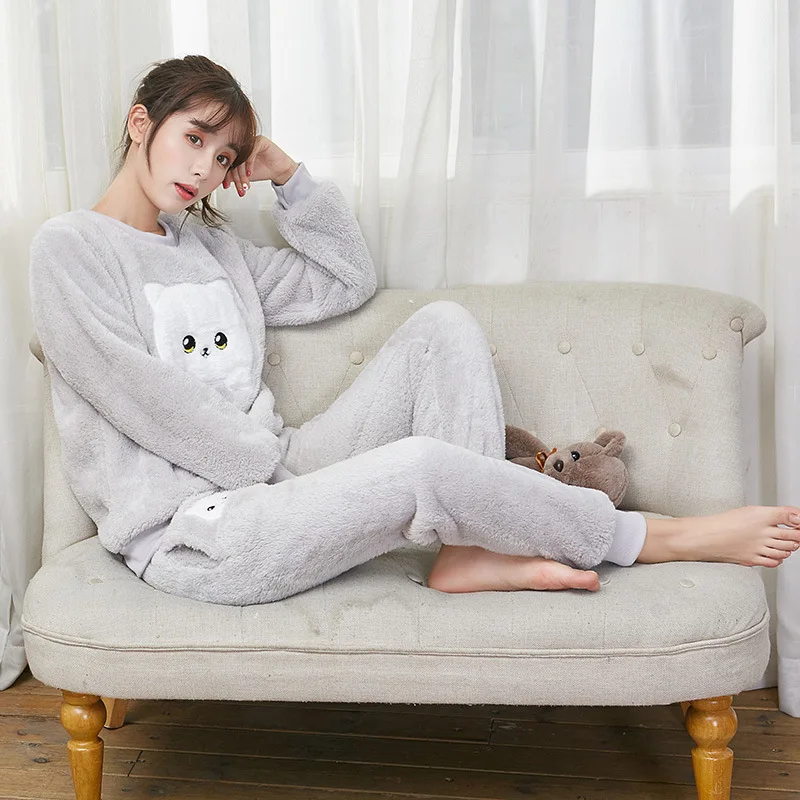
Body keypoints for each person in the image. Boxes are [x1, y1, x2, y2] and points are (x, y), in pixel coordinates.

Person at [28, 55, 800, 606]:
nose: (204, 168)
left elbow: (345, 279)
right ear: (141, 123)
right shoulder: (70, 249)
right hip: (198, 534)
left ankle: (470, 549)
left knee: (442, 328)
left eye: (222, 153)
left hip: (277, 474)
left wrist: (288, 176)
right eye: (193, 138)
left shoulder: (214, 249)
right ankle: (658, 538)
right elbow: (146, 400)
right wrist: (281, 478)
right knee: (422, 468)